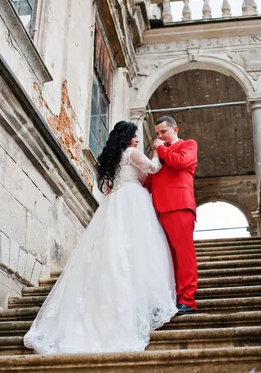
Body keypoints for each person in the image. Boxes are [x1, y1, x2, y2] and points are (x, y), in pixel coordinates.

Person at [24, 121, 177, 354]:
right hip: (132, 202)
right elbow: (154, 168)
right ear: (127, 137)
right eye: (135, 136)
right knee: (135, 252)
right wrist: (156, 149)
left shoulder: (110, 159)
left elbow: (106, 189)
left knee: (113, 254)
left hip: (113, 204)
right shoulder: (131, 152)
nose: (137, 139)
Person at [145, 116, 198, 315]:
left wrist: (160, 149)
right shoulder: (160, 154)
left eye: (163, 132)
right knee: (168, 257)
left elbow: (181, 162)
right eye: (157, 134)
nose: (159, 137)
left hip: (179, 205)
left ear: (175, 129)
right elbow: (150, 180)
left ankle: (187, 300)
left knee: (184, 255)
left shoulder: (188, 145)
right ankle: (173, 298)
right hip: (159, 209)